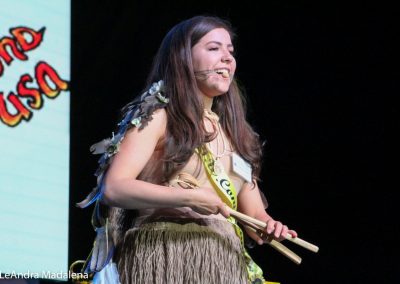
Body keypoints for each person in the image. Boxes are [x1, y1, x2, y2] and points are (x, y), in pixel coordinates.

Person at [78, 15, 297, 284]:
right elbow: (114, 188)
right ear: (183, 57)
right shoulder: (159, 116)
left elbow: (253, 214)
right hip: (166, 253)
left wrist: (268, 225)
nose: (227, 58)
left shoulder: (237, 133)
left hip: (223, 261)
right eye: (214, 48)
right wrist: (188, 198)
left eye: (230, 51)